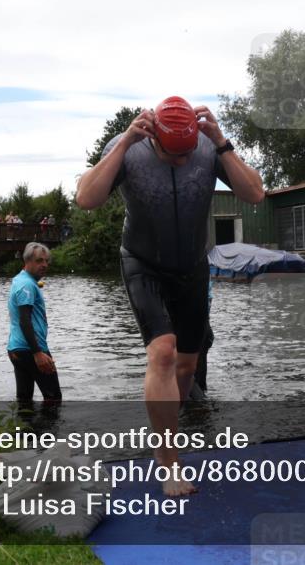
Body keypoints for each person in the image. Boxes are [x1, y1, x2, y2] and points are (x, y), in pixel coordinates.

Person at [76, 96, 264, 496]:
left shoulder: (207, 146)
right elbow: (86, 199)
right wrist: (125, 141)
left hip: (192, 266)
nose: (181, 161)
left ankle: (163, 434)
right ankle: (169, 462)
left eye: (187, 154)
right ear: (153, 136)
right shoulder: (129, 146)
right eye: (171, 154)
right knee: (162, 353)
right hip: (143, 261)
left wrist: (221, 141)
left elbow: (255, 195)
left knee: (185, 366)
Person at [7, 242, 61, 413]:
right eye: (39, 261)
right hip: (32, 349)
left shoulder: (20, 280)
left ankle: (24, 437)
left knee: (24, 401)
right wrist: (38, 353)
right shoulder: (27, 285)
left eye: (46, 261)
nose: (44, 265)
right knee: (53, 398)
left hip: (17, 349)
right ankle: (48, 437)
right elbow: (25, 320)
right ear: (27, 261)